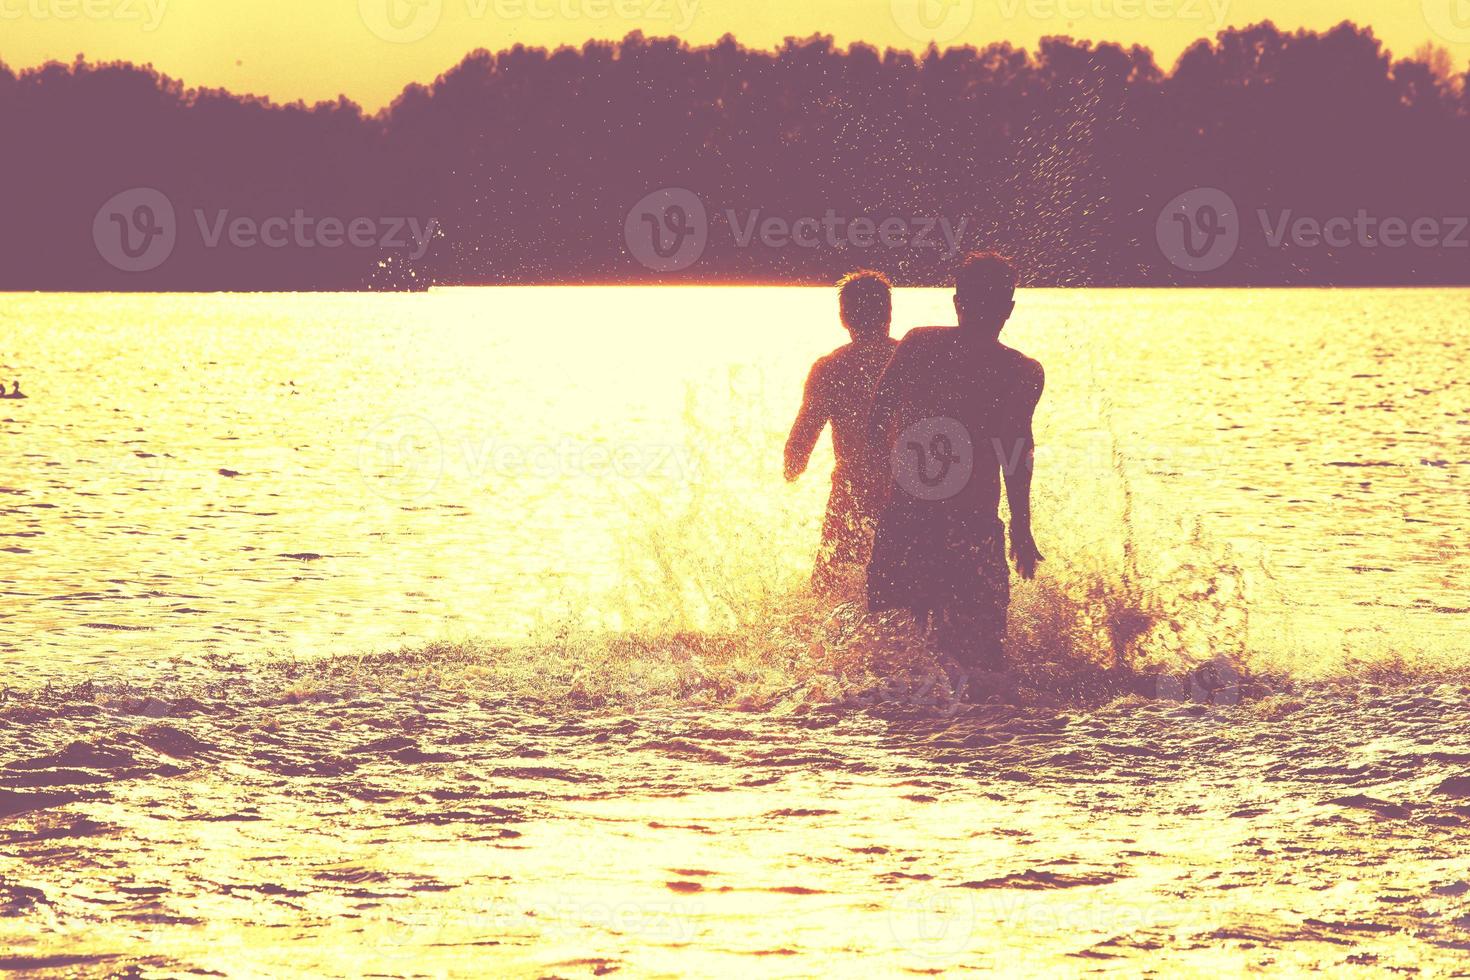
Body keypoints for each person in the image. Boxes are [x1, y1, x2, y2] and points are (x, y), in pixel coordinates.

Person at [866, 252, 1044, 673]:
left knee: (886, 652)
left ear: (957, 301)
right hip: (973, 527)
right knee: (982, 659)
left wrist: (884, 481)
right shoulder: (1020, 370)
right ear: (1009, 309)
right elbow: (1016, 451)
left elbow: (877, 418)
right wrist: (1021, 526)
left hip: (906, 519)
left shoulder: (918, 344)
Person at [785, 270, 900, 592]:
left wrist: (792, 469)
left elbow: (799, 446)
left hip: (852, 494)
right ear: (889, 314)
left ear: (843, 317)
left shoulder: (831, 367)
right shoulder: (911, 359)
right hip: (908, 495)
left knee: (829, 593)